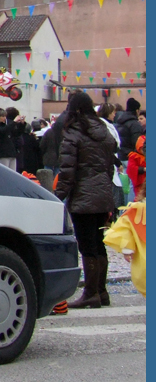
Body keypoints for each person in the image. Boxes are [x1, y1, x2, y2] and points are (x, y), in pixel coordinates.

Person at [56, 92, 118, 309]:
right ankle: (101, 292)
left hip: (83, 197)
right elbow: (110, 166)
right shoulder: (104, 131)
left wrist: (58, 196)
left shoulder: (74, 133)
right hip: (102, 195)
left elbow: (67, 170)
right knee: (98, 244)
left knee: (87, 246)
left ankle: (91, 293)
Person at [115, 97, 144, 167]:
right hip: (130, 158)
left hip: (119, 156)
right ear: (137, 111)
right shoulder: (135, 124)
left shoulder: (119, 121)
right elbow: (137, 143)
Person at [5, 106, 28, 171]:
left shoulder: (11, 124)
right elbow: (18, 136)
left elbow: (17, 134)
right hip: (13, 151)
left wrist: (22, 124)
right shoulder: (11, 124)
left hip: (12, 152)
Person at [126, 135, 145, 203]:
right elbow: (131, 169)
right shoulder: (134, 156)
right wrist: (143, 169)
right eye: (142, 148)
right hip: (139, 183)